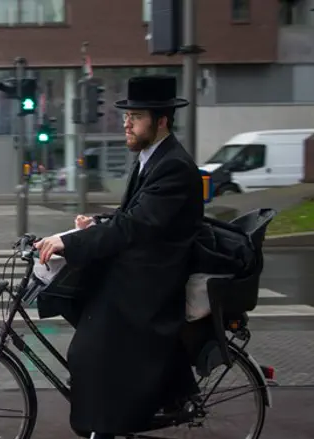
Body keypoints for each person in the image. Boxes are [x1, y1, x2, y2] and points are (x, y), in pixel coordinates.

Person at [34, 75, 204, 439]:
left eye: (136, 117)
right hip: (141, 266)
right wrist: (95, 224)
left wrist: (70, 243)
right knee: (77, 299)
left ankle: (108, 425)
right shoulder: (150, 158)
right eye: (127, 116)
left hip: (154, 279)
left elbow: (133, 228)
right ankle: (112, 407)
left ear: (161, 121)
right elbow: (134, 217)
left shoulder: (173, 165)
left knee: (89, 348)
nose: (126, 123)